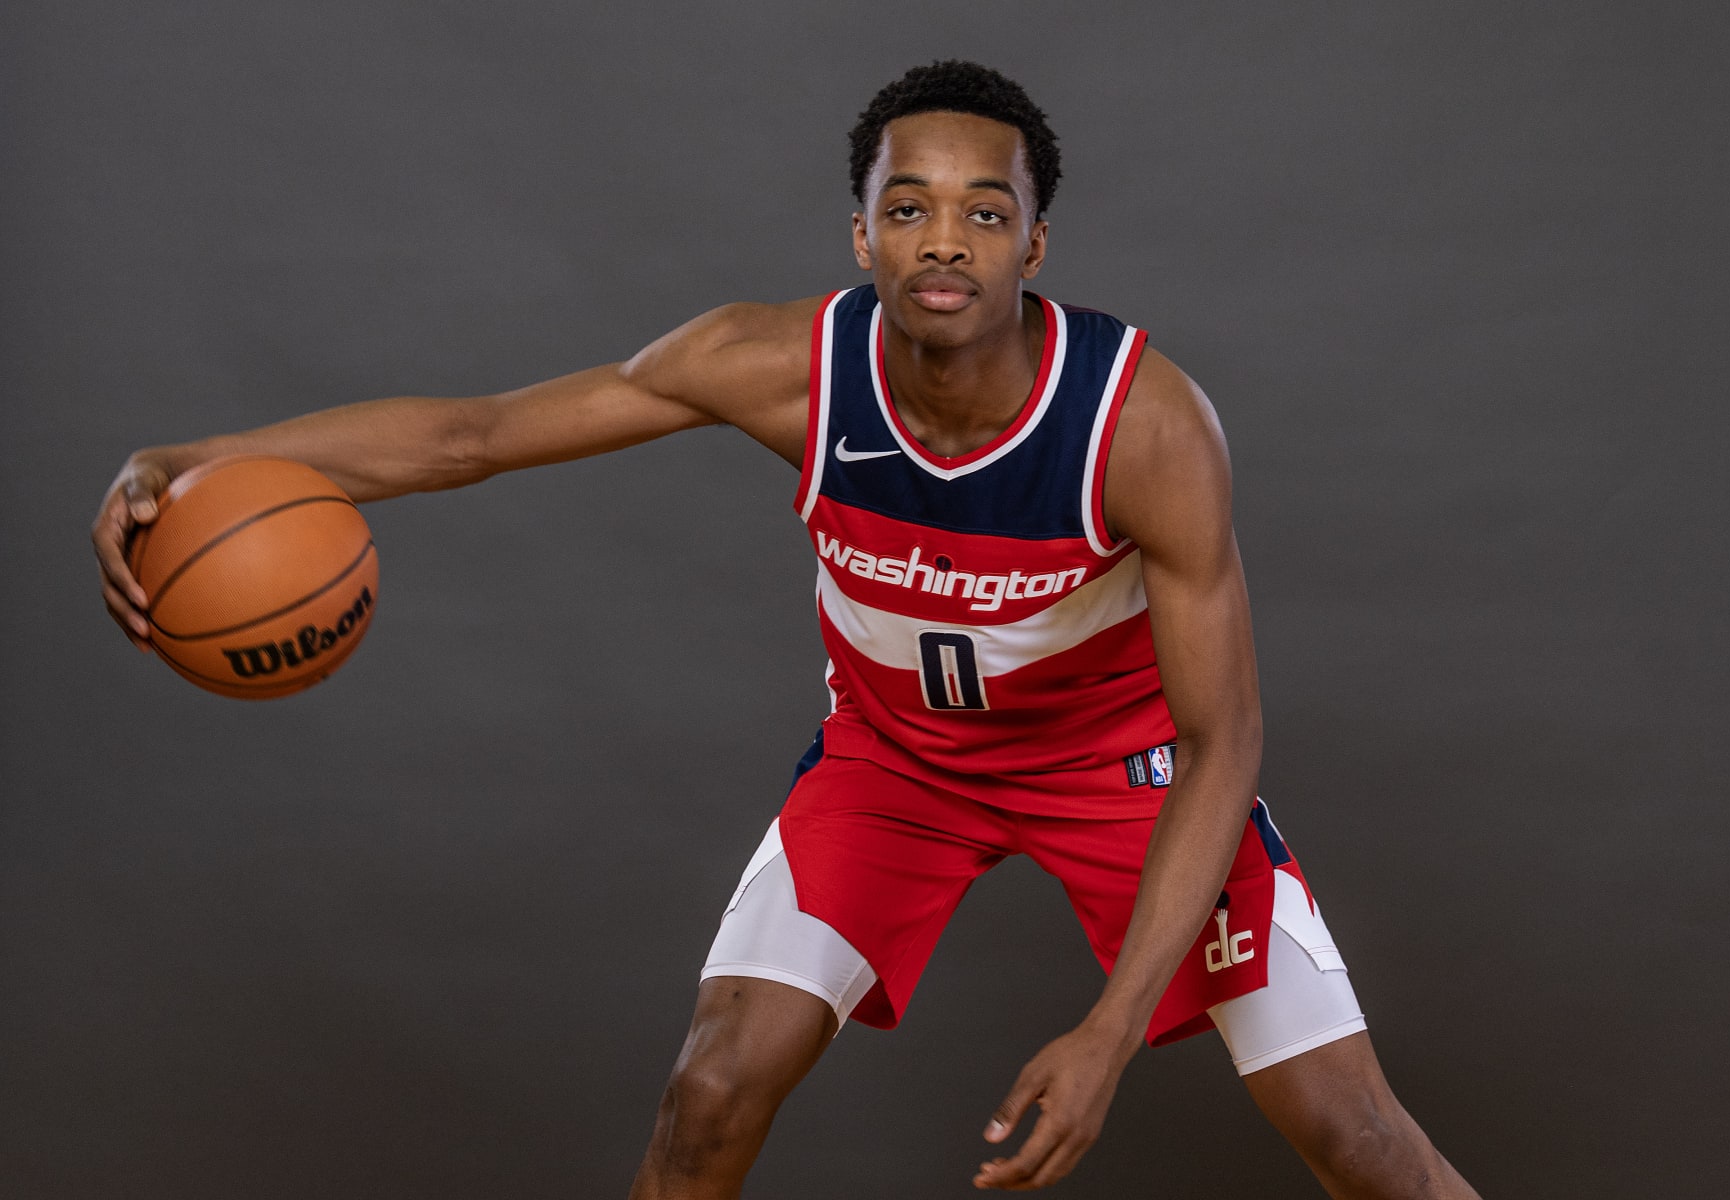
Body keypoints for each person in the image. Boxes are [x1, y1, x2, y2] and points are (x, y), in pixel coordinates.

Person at [94, 61, 1478, 1197]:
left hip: (1127, 775)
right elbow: (476, 435)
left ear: (1038, 241)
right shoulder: (776, 369)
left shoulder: (1146, 424)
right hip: (899, 772)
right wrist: (199, 459)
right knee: (711, 1089)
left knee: (1356, 1136)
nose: (946, 238)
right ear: (859, 230)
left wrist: (1111, 1033)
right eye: (910, 206)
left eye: (986, 213)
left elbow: (1223, 734)